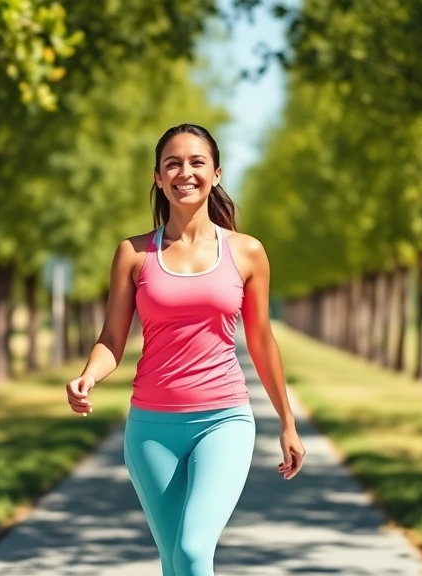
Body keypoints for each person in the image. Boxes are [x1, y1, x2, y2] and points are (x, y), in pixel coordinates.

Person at [65, 123, 305, 576]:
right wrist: (88, 376)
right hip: (151, 428)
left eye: (197, 162)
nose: (185, 172)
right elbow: (112, 339)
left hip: (224, 420)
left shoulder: (247, 252)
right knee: (174, 560)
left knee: (194, 551)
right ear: (158, 177)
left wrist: (287, 422)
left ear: (216, 173)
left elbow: (261, 341)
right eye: (172, 163)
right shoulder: (134, 254)